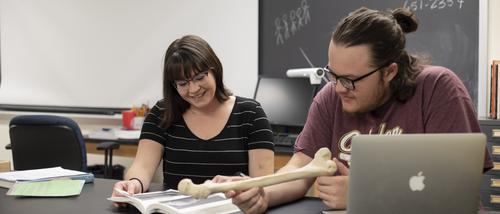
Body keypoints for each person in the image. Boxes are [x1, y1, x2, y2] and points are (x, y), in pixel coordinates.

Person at [224, 7, 493, 213]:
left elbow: (458, 190)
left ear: (389, 71)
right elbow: (299, 169)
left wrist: (367, 194)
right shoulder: (330, 97)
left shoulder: (437, 89)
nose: (339, 88)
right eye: (333, 74)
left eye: (350, 80)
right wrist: (263, 193)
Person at [111, 35, 275, 197]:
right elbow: (142, 167)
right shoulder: (162, 113)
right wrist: (133, 184)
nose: (194, 89)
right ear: (173, 86)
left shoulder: (250, 114)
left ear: (214, 71)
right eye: (183, 83)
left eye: (200, 77)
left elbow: (262, 185)